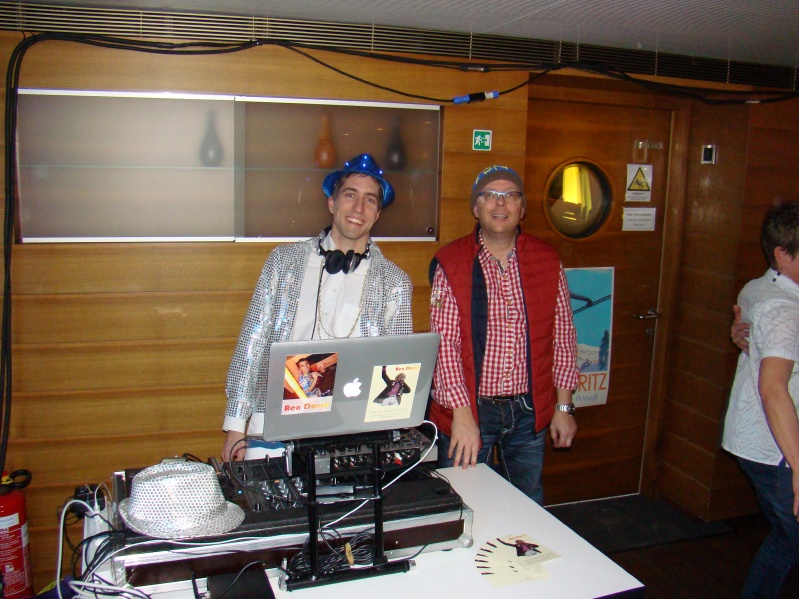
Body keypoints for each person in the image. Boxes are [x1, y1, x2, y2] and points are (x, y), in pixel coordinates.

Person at [222, 154, 413, 462]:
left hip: (352, 429)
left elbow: (398, 364)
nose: (358, 208)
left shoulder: (394, 282)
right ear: (332, 203)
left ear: (377, 214)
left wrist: (391, 431)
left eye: (370, 200)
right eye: (350, 195)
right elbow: (252, 343)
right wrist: (235, 424)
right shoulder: (283, 262)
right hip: (274, 423)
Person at [427, 165, 579, 504]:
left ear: (522, 208)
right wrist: (462, 417)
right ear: (475, 207)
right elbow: (445, 346)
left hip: (529, 410)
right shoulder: (451, 262)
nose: (500, 203)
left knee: (528, 504)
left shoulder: (547, 260)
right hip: (472, 407)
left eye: (510, 195)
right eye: (490, 195)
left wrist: (563, 407)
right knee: (461, 503)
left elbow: (564, 336)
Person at [721, 200, 799, 599]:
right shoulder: (784, 308)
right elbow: (773, 388)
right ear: (783, 256)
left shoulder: (757, 286)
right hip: (777, 450)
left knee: (786, 541)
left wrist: (741, 334)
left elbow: (753, 329)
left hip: (753, 440)